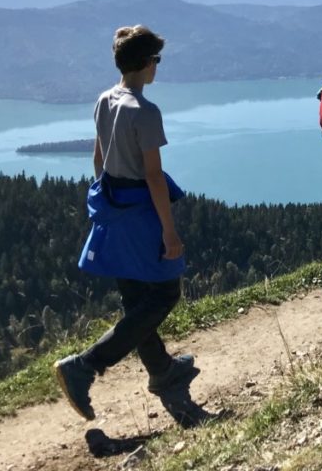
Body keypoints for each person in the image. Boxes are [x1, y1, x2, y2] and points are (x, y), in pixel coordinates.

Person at [54, 25, 198, 421]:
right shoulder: (145, 111)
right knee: (166, 291)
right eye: (157, 60)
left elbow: (99, 159)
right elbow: (154, 176)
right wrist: (169, 231)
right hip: (140, 210)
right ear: (146, 63)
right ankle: (85, 365)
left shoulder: (105, 99)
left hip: (112, 204)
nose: (158, 67)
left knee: (136, 298)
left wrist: (107, 203)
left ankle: (162, 370)